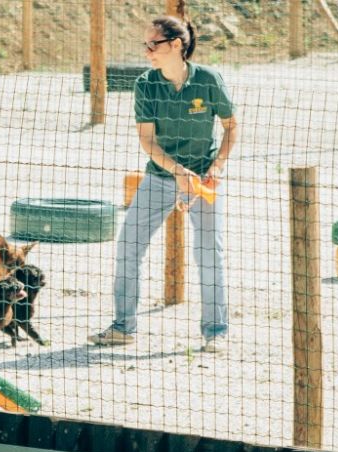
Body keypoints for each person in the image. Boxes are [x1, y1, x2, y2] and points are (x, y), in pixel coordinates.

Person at [90, 15, 238, 353]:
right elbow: (147, 141)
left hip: (205, 179)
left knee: (209, 253)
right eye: (146, 46)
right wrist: (177, 171)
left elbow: (231, 126)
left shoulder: (209, 80)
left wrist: (216, 167)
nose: (147, 52)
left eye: (152, 45)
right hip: (160, 176)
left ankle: (216, 331)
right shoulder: (145, 84)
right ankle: (122, 327)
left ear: (176, 45)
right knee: (128, 246)